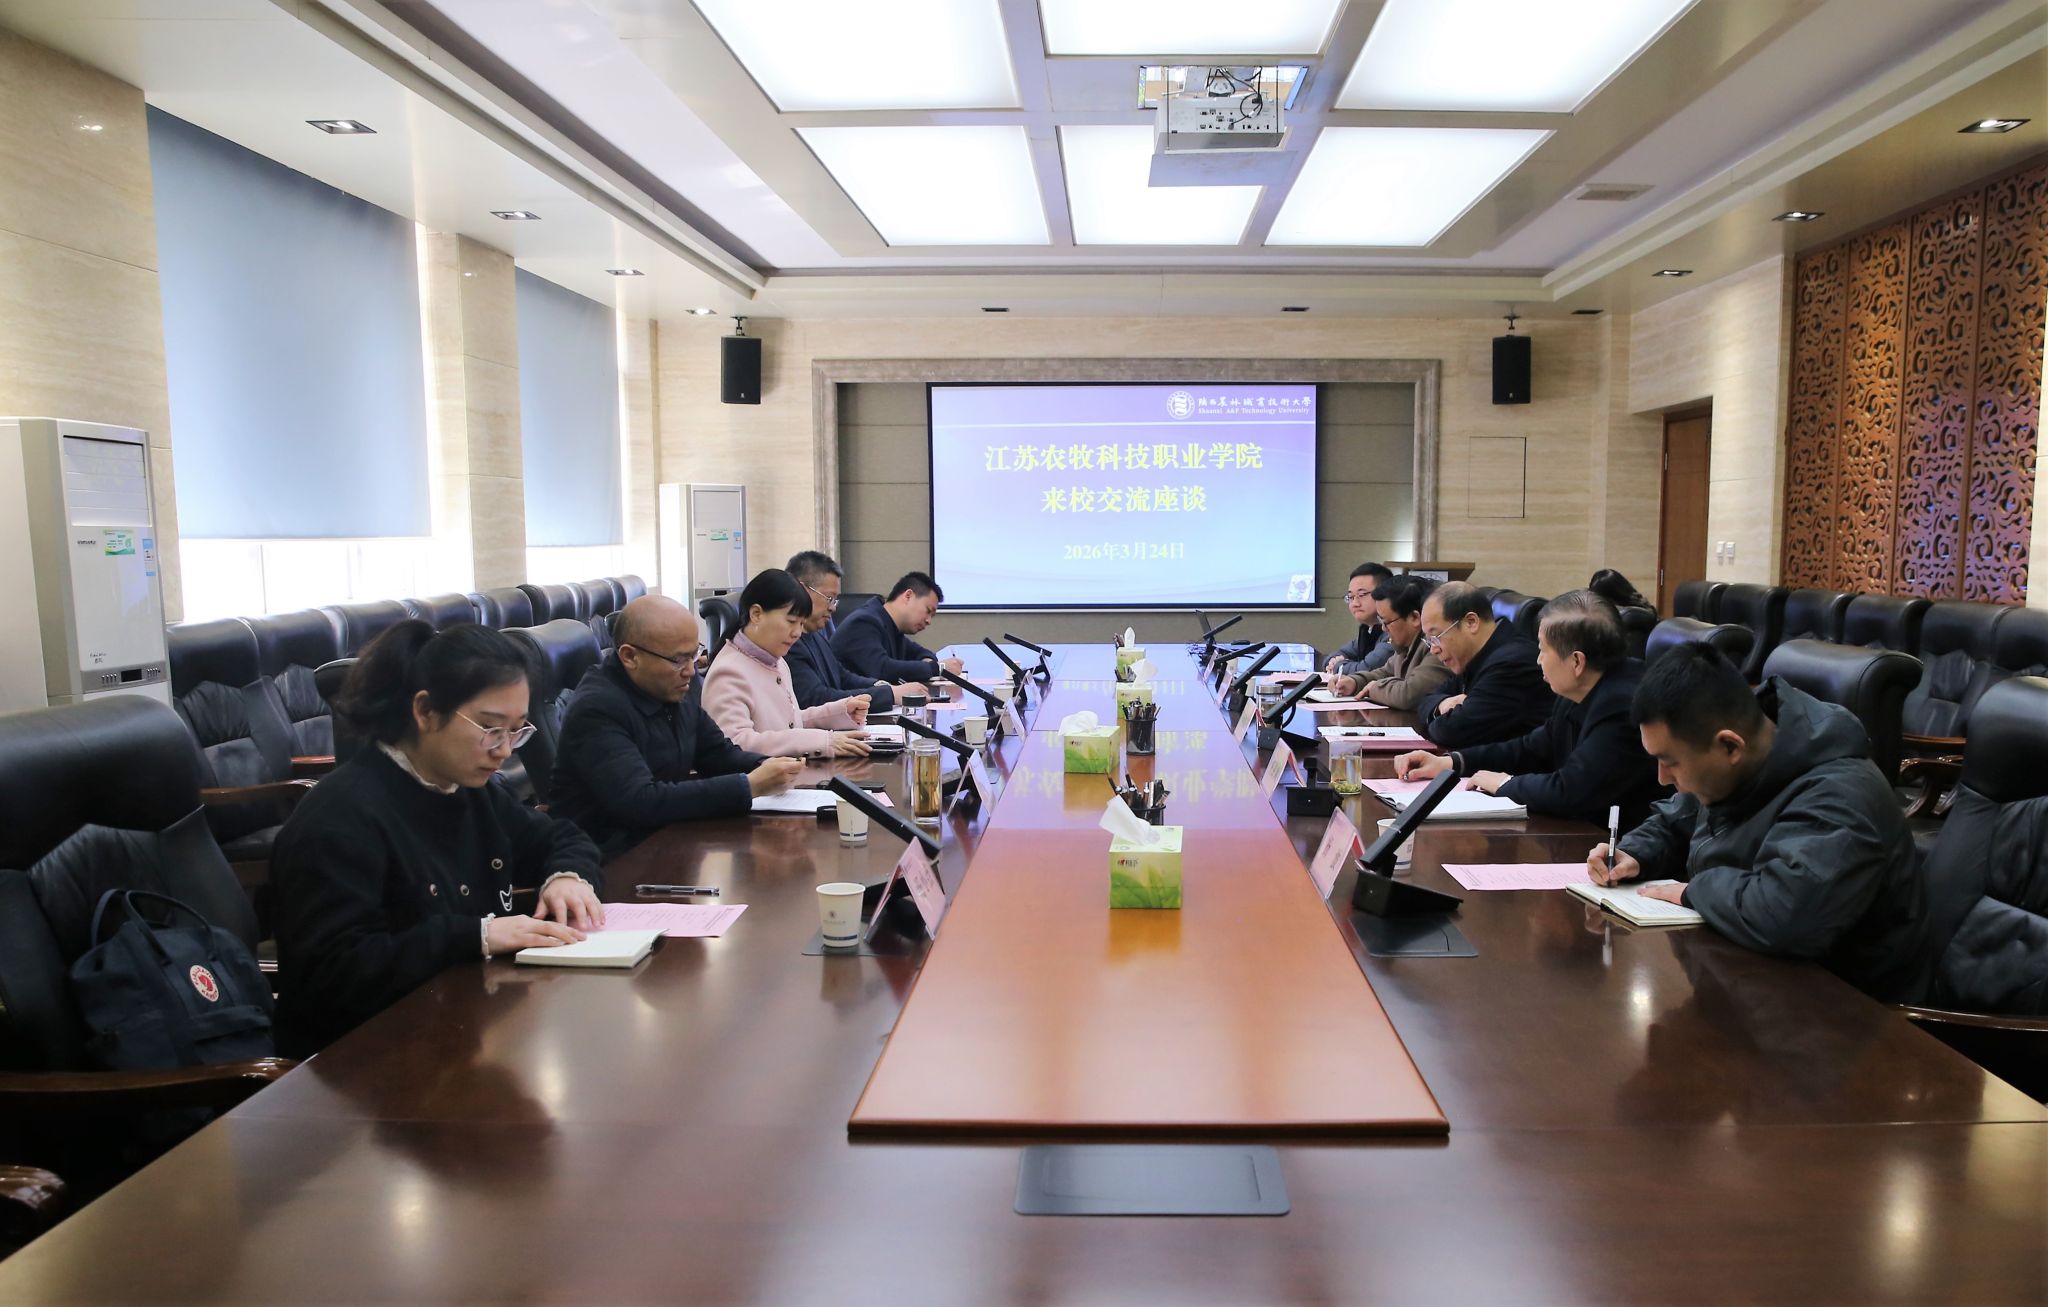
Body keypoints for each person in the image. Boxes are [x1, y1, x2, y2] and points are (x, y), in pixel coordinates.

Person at [272, 621, 605, 1054]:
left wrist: (567, 878)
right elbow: (336, 973)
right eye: (490, 728)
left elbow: (562, 836)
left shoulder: (469, 790)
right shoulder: (340, 818)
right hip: (361, 1058)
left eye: (517, 730)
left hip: (462, 1026)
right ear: (425, 711)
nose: (505, 750)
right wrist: (475, 936)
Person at [1586, 643, 1931, 1003]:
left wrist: (1694, 891)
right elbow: (1676, 818)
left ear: (1730, 747)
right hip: (1752, 982)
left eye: (1670, 762)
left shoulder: (1840, 796)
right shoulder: (1742, 760)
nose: (1661, 777)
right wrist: (1633, 853)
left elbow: (1787, 916)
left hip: (1848, 1011)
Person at [549, 595, 806, 858]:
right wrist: (748, 786)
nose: (691, 671)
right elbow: (640, 801)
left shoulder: (672, 687)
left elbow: (719, 755)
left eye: (694, 655)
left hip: (667, 842)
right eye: (678, 660)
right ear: (630, 656)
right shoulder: (597, 709)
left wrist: (768, 765)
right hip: (609, 859)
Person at [1394, 590, 1666, 828]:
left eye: (1543, 650)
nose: (1537, 660)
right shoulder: (1579, 688)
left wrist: (1505, 784)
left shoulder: (1622, 705)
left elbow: (1570, 791)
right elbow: (1531, 748)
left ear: (1576, 661)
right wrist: (1451, 763)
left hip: (1614, 845)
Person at [704, 568, 874, 758]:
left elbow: (788, 723)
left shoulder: (777, 661)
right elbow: (736, 743)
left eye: (801, 624)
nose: (797, 633)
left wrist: (839, 713)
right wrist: (821, 741)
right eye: (791, 621)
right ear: (756, 614)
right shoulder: (729, 671)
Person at [1413, 581, 1553, 749]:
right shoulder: (1475, 657)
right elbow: (1425, 700)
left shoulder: (1511, 664)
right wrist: (1442, 705)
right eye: (1429, 641)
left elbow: (1451, 731)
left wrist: (1439, 714)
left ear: (1471, 622)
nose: (1434, 650)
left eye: (1436, 637)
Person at [784, 550, 915, 713]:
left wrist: (883, 687)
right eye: (829, 598)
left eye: (835, 600)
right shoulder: (788, 643)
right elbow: (816, 698)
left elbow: (842, 677)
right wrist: (890, 695)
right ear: (802, 590)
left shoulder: (815, 635)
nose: (833, 608)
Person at [1330, 576, 1452, 710]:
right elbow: (1383, 673)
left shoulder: (1436, 645)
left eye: (1386, 622)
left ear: (1415, 618)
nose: (1383, 628)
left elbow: (1410, 695)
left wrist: (1375, 688)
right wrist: (1354, 682)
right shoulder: (1405, 645)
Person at [833, 571, 963, 684]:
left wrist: (930, 663)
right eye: (928, 611)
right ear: (908, 596)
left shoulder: (892, 626)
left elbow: (922, 653)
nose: (929, 621)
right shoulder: (864, 622)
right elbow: (882, 669)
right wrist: (937, 668)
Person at [1324, 562, 1397, 677]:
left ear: (1385, 594)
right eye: (1351, 597)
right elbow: (1331, 657)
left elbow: (1365, 670)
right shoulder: (1369, 629)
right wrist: (1334, 662)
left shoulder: (1394, 630)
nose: (1355, 603)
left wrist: (1338, 665)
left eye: (1361, 595)